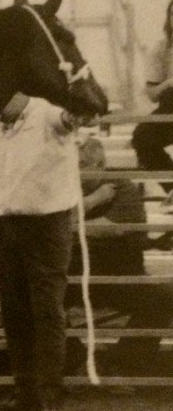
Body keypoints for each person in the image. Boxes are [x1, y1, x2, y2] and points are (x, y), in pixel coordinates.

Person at [0, 92, 85, 411]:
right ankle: (25, 393)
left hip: (48, 225)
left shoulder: (48, 112)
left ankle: (52, 396)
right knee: (14, 310)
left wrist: (74, 113)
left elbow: (70, 119)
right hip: (8, 225)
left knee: (47, 310)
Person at [66, 138, 173, 377]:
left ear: (100, 164)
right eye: (70, 165)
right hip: (75, 273)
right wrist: (91, 203)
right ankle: (75, 361)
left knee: (163, 298)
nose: (75, 172)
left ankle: (123, 364)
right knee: (35, 297)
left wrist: (67, 223)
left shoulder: (122, 187)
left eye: (82, 165)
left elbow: (111, 227)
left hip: (119, 274)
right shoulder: (63, 189)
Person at [131, 0, 173, 233]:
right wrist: (169, 83)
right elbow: (152, 94)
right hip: (171, 103)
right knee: (141, 136)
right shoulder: (162, 48)